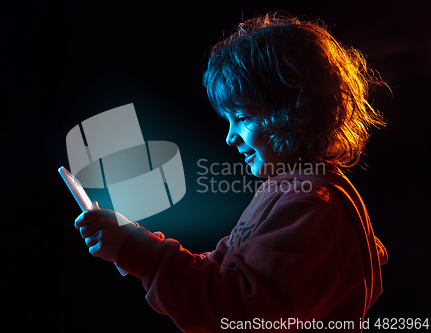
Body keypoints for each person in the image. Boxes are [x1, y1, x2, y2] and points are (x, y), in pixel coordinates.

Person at [74, 12, 388, 332]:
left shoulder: (311, 208)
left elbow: (236, 312)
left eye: (243, 117)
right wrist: (135, 243)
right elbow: (221, 273)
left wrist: (142, 254)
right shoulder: (288, 196)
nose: (230, 136)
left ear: (295, 112)